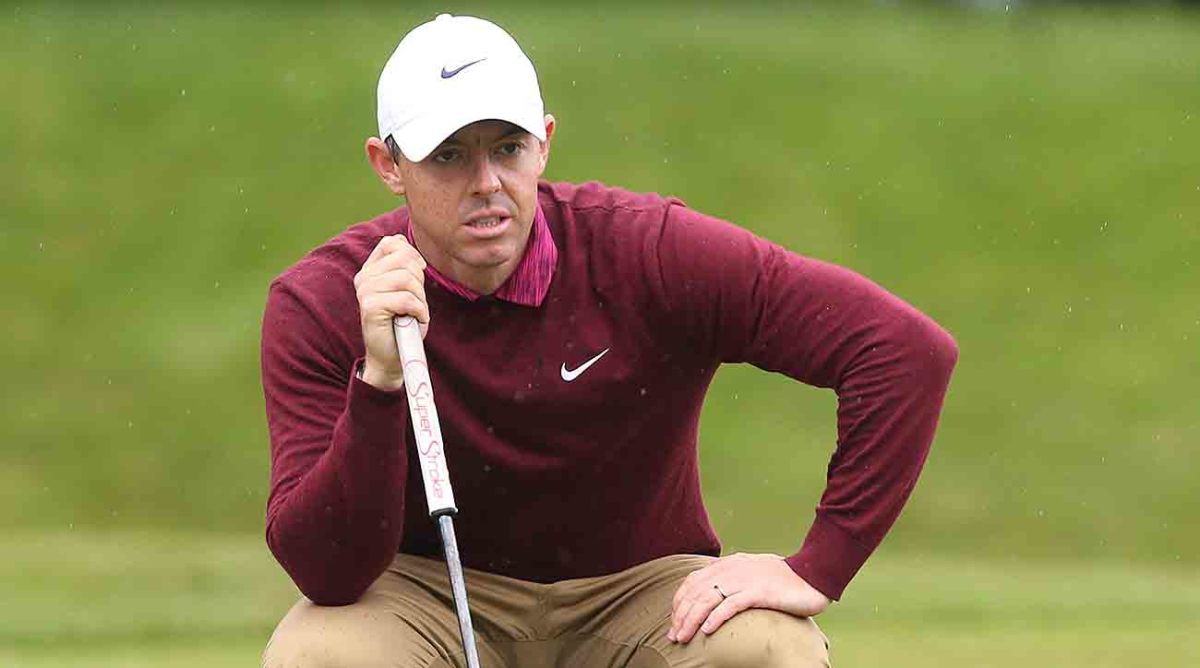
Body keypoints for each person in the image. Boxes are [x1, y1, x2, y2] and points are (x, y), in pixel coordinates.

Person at [260, 13, 957, 668]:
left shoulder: (647, 251)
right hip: (429, 593)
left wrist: (820, 566)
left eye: (508, 148)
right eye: (448, 156)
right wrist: (379, 383)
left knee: (769, 645)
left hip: (640, 592)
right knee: (320, 651)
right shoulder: (324, 301)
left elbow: (899, 350)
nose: (487, 184)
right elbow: (328, 569)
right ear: (388, 165)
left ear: (546, 141)